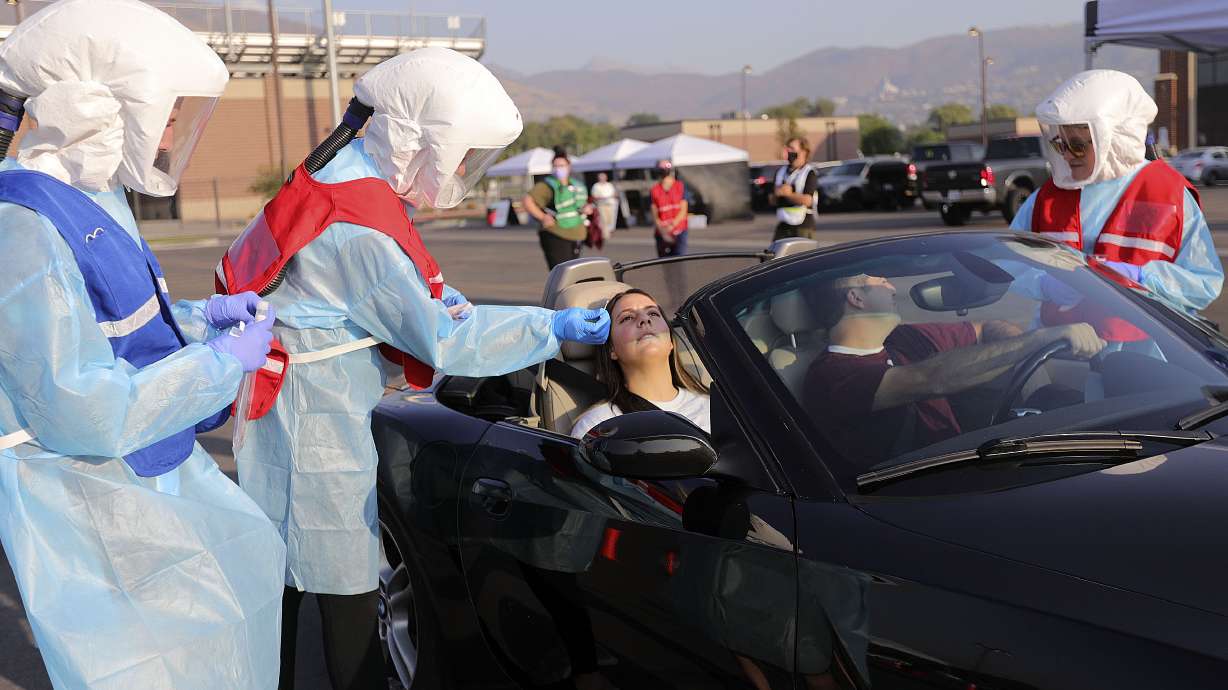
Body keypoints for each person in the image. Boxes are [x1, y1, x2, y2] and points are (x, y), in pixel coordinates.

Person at [219, 49, 611, 690]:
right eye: (460, 155)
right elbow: (441, 342)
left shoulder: (338, 181)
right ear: (417, 139)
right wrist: (550, 327)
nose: (461, 171)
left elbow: (371, 298)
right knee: (338, 585)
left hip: (292, 408)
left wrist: (430, 295)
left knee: (281, 584)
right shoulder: (360, 225)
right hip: (316, 424)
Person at [0, 1, 286, 688]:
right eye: (167, 108)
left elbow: (113, 328)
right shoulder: (24, 224)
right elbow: (80, 407)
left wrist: (200, 321)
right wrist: (217, 366)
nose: (172, 128)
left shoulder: (93, 200)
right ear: (97, 105)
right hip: (91, 496)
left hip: (144, 473)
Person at [802, 274, 1106, 465]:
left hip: (974, 463)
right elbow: (930, 379)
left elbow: (987, 327)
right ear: (855, 298)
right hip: (922, 496)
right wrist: (1038, 338)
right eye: (879, 281)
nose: (892, 285)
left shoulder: (904, 338)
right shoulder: (833, 375)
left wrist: (1023, 347)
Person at [1011, 70, 1223, 314]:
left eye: (1078, 145)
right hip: (1061, 346)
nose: (1067, 155)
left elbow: (1204, 283)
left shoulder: (1171, 196)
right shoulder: (1045, 199)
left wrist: (1141, 277)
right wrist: (1044, 284)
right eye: (1061, 144)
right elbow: (1007, 263)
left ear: (1114, 138)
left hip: (1150, 349)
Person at [572, 288, 709, 438]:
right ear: (612, 348)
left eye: (653, 313)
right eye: (627, 318)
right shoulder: (599, 426)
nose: (644, 319)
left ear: (670, 340)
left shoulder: (716, 406)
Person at [525, 147, 591, 269]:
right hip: (556, 234)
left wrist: (586, 209)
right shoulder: (546, 185)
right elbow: (528, 201)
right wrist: (542, 217)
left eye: (562, 165)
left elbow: (580, 204)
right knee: (561, 273)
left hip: (576, 233)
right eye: (555, 166)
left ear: (569, 166)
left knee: (573, 273)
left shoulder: (576, 185)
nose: (559, 168)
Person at [773, 137, 820, 241]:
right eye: (787, 148)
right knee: (775, 255)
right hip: (784, 224)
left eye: (792, 148)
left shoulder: (809, 172)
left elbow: (808, 200)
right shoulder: (780, 172)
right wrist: (775, 195)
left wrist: (789, 195)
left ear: (803, 152)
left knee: (803, 256)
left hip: (803, 225)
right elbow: (772, 201)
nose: (788, 152)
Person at [650, 160, 690, 258]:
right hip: (662, 232)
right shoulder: (655, 190)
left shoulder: (680, 186)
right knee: (665, 262)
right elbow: (654, 214)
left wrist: (671, 226)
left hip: (679, 230)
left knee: (679, 260)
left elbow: (683, 210)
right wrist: (663, 232)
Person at [591, 171, 620, 241]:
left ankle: (607, 232)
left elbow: (614, 194)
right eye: (601, 177)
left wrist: (613, 196)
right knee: (603, 220)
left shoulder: (609, 185)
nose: (602, 178)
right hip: (601, 205)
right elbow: (594, 196)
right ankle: (605, 234)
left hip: (610, 205)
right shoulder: (596, 186)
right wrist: (602, 197)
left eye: (603, 177)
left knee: (610, 220)